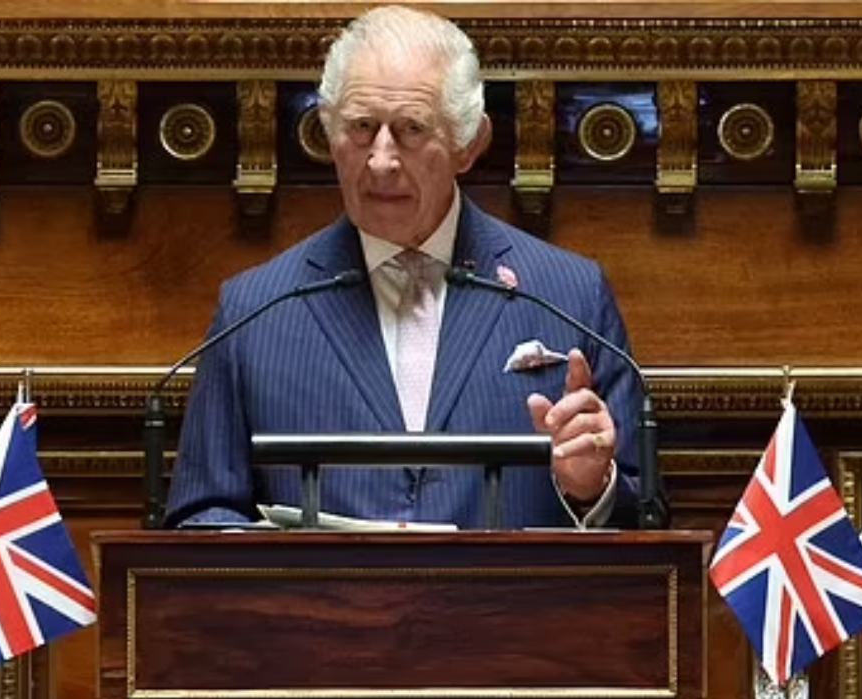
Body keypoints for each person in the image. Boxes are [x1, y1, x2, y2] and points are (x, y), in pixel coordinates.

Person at [165, 4, 647, 531]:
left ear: (469, 144)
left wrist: (590, 488)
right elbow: (200, 517)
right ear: (329, 134)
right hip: (320, 613)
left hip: (513, 611)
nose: (380, 161)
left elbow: (646, 517)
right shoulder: (254, 312)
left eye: (412, 129)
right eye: (361, 128)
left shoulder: (569, 295)